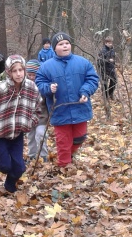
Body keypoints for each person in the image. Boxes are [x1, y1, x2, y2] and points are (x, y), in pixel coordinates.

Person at [0, 55, 42, 193]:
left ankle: (9, 187)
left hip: (17, 134)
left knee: (20, 168)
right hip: (0, 134)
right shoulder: (1, 89)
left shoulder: (31, 88)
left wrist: (30, 123)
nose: (18, 74)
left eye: (21, 70)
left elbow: (38, 108)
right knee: (5, 166)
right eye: (14, 71)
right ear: (8, 72)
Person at [35, 32, 99, 168]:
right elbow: (39, 83)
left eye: (67, 43)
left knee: (80, 137)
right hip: (59, 111)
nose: (65, 46)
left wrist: (85, 91)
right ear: (54, 48)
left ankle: (70, 154)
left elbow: (92, 79)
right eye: (60, 44)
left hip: (80, 108)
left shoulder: (83, 62)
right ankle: (64, 166)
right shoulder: (46, 66)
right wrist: (48, 88)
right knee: (63, 141)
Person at [24, 59, 49, 162]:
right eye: (29, 75)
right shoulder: (23, 84)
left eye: (34, 75)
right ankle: (32, 155)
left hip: (42, 115)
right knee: (30, 136)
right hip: (28, 116)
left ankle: (43, 155)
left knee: (41, 134)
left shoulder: (42, 85)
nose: (31, 77)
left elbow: (48, 100)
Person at [97, 36, 117, 100]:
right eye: (109, 43)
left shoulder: (112, 50)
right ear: (106, 43)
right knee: (104, 84)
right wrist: (108, 60)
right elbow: (99, 61)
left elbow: (114, 58)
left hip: (111, 69)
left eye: (111, 43)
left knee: (114, 82)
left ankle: (110, 93)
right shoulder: (103, 51)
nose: (110, 44)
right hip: (104, 70)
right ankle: (105, 97)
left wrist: (114, 63)